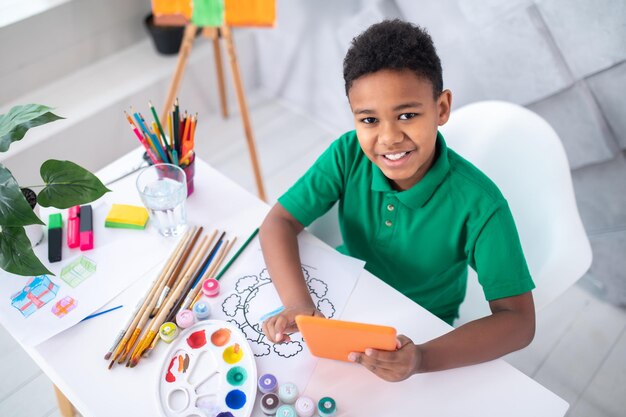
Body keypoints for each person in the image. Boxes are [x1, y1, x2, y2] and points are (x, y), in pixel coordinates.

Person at [259, 19, 535, 382]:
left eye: (407, 115)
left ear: (441, 108)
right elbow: (277, 222)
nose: (388, 137)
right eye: (370, 119)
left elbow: (518, 322)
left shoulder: (481, 205)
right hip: (346, 299)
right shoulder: (346, 154)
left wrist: (421, 358)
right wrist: (297, 304)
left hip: (422, 329)